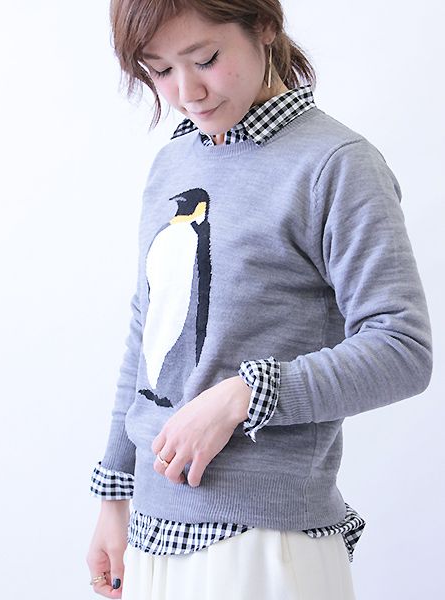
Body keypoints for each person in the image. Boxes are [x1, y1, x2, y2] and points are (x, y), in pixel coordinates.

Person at [86, 1, 433, 599]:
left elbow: (402, 349)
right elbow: (146, 335)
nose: (187, 92)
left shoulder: (336, 165)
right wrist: (115, 496)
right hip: (152, 536)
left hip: (265, 543)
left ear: (264, 26)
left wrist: (243, 395)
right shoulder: (173, 163)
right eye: (160, 70)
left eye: (205, 59)